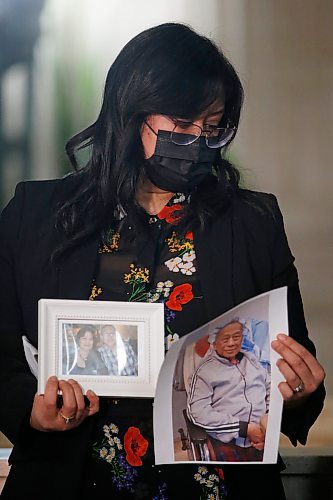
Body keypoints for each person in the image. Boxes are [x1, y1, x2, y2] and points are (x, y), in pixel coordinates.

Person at [0, 22, 326, 500]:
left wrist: (301, 391)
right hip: (74, 482)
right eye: (181, 123)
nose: (197, 141)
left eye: (212, 127)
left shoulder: (252, 225)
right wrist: (30, 410)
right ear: (132, 115)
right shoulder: (37, 215)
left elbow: (291, 366)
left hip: (216, 488)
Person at [187, 320, 270, 461]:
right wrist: (244, 429)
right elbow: (198, 413)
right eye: (225, 339)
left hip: (263, 439)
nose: (232, 343)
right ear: (214, 342)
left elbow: (270, 389)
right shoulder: (204, 372)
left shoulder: (251, 361)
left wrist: (266, 424)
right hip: (228, 445)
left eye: (236, 337)